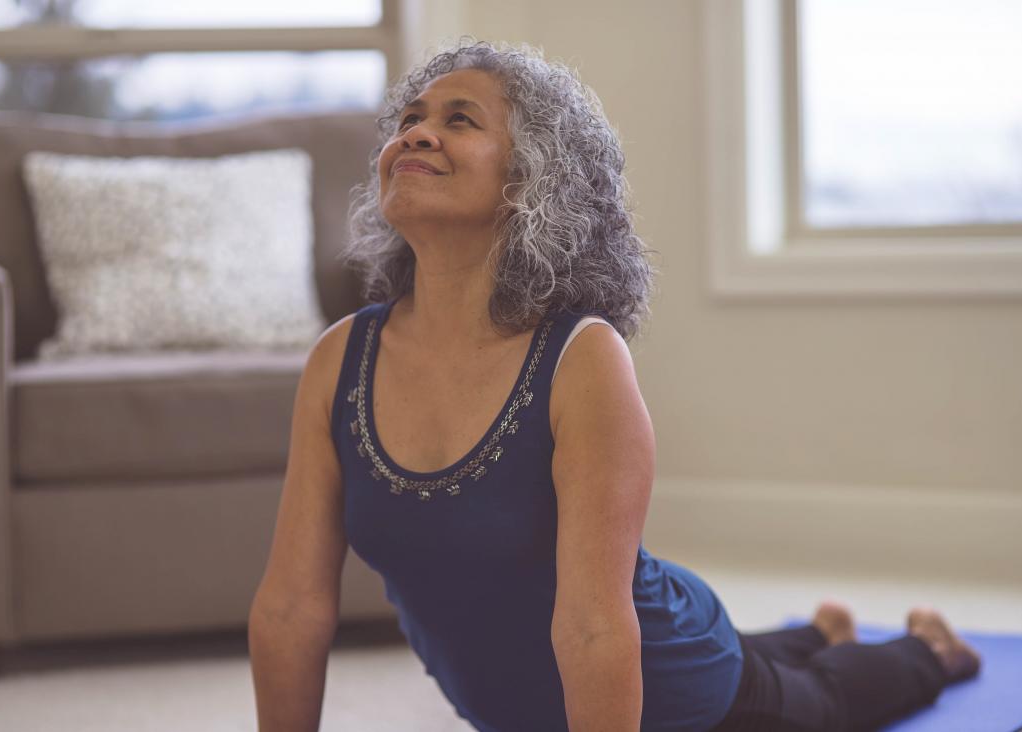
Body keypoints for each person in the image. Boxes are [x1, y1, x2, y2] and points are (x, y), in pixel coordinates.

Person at [248, 39, 982, 732]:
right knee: (755, 649)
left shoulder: (578, 357)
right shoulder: (341, 360)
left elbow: (596, 625)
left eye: (458, 120)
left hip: (669, 690)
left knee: (818, 705)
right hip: (549, 689)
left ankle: (928, 647)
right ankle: (818, 630)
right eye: (408, 121)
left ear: (530, 180)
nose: (415, 134)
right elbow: (291, 605)